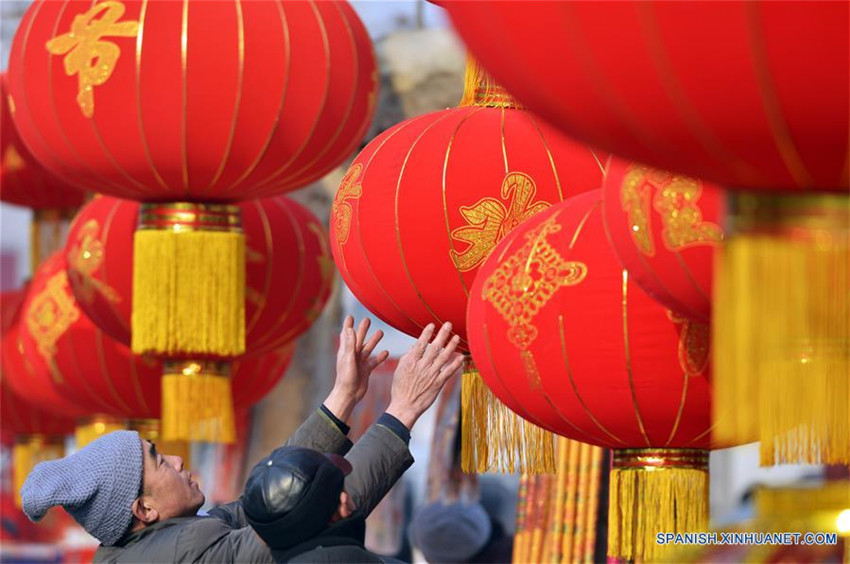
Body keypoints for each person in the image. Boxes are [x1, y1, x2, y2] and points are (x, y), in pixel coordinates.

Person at [20, 317, 464, 563]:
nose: (175, 459)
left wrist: (341, 400)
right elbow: (304, 510)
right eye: (157, 461)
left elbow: (270, 498)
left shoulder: (152, 544)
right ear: (144, 509)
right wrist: (402, 410)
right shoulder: (178, 557)